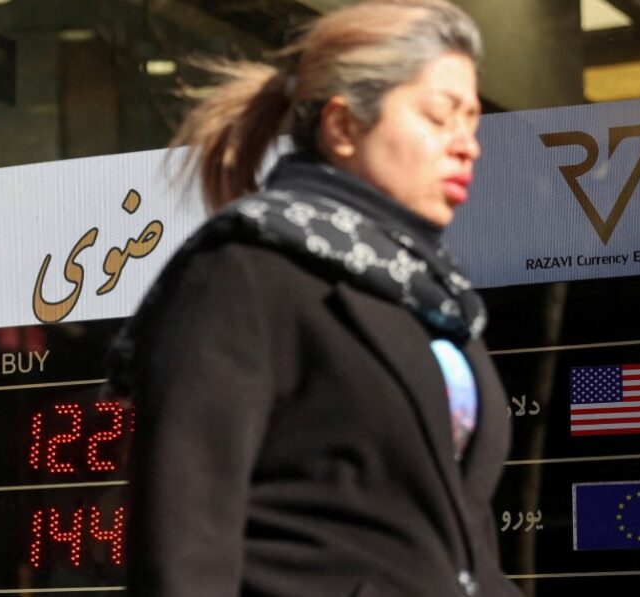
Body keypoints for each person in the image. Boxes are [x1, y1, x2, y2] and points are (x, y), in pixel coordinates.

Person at [106, 1, 522, 595]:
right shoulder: (242, 272)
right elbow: (185, 545)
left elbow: (465, 555)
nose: (467, 145)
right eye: (439, 116)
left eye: (473, 122)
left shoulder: (434, 299)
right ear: (343, 126)